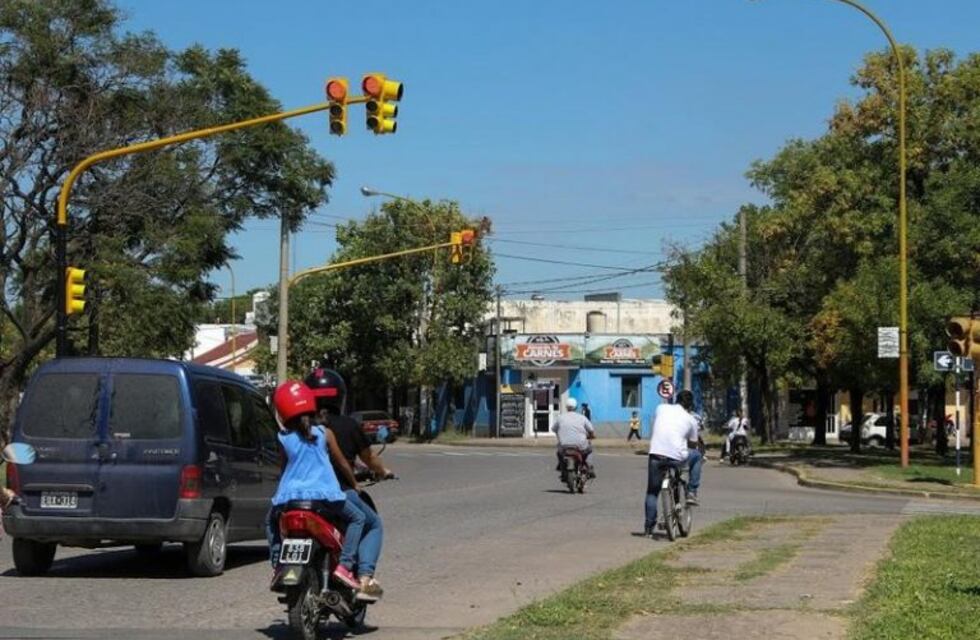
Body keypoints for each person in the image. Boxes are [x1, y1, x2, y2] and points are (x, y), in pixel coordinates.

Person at [265, 381, 374, 597]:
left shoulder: (283, 438)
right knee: (358, 519)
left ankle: (278, 564)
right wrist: (354, 484)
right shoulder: (325, 433)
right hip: (325, 496)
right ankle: (344, 566)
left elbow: (284, 467)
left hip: (290, 499)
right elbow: (342, 463)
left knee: (270, 521)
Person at [318, 407, 391, 601]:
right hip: (338, 492)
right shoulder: (340, 427)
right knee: (373, 524)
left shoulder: (297, 429)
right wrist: (382, 471)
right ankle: (364, 579)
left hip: (302, 495)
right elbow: (358, 459)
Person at [644, 390, 703, 536]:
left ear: (676, 400)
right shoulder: (691, 420)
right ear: (690, 405)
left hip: (656, 455)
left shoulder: (661, 408)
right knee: (697, 456)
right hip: (677, 457)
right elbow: (694, 444)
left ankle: (648, 529)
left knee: (652, 492)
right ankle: (691, 492)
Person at [552, 397, 596, 477]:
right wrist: (592, 436)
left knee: (559, 453)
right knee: (589, 450)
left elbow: (554, 429)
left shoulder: (560, 418)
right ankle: (589, 467)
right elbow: (591, 430)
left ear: (566, 407)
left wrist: (560, 435)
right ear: (576, 407)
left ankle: (561, 467)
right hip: (580, 445)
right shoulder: (582, 418)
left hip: (564, 445)